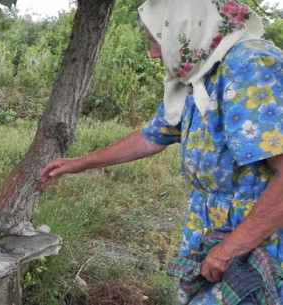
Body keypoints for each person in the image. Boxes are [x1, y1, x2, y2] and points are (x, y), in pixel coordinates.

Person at [41, 0, 283, 303]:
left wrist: (231, 247)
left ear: (182, 30)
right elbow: (151, 137)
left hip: (257, 234)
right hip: (211, 223)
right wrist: (79, 164)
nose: (154, 52)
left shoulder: (251, 65)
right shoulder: (201, 71)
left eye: (155, 40)